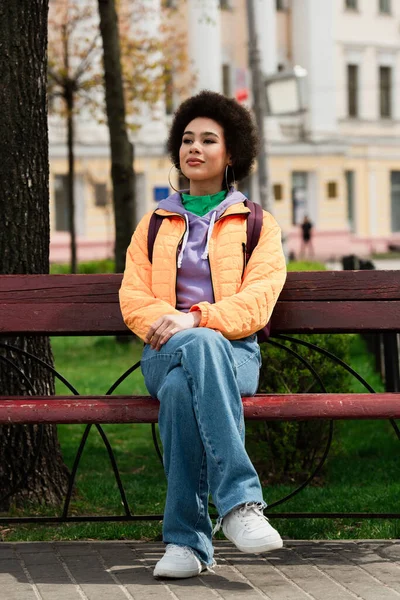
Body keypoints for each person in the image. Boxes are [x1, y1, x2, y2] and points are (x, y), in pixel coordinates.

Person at [119, 90, 287, 579]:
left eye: (208, 140)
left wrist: (194, 318)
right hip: (162, 350)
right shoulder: (153, 225)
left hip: (235, 355)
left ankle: (186, 544)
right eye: (187, 139)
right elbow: (133, 298)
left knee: (182, 385)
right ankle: (239, 505)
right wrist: (172, 326)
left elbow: (259, 299)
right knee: (184, 364)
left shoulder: (257, 224)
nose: (194, 148)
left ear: (230, 153)